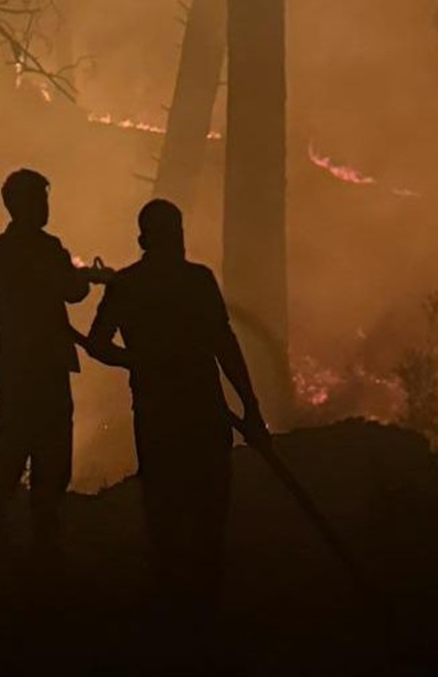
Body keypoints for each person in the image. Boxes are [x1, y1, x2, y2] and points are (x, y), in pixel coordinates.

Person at [85, 198, 268, 620]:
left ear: (142, 239)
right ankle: (202, 604)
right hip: (204, 409)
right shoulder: (197, 281)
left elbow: (97, 344)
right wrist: (250, 406)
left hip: (158, 412)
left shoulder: (127, 285)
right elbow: (225, 346)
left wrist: (134, 360)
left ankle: (175, 603)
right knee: (208, 510)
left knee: (165, 509)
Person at [0, 168, 93, 547]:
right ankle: (36, 534)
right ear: (22, 204)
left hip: (16, 366)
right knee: (47, 448)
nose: (45, 207)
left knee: (14, 447)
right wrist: (86, 281)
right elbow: (69, 290)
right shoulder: (43, 250)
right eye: (40, 200)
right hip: (40, 366)